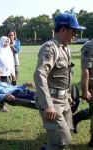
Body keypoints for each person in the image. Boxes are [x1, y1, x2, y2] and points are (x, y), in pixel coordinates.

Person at [33, 14, 86, 150]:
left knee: (68, 131)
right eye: (74, 30)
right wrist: (47, 105)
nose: (76, 34)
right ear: (63, 30)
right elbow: (40, 74)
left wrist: (67, 94)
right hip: (52, 100)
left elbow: (64, 74)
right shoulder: (50, 48)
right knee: (62, 140)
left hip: (63, 99)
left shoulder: (65, 47)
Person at [73, 39, 93, 148]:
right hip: (92, 84)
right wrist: (85, 91)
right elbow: (85, 69)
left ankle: (76, 118)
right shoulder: (89, 46)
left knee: (91, 111)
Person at [0, 36, 16, 112]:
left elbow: (12, 64)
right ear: (2, 42)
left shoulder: (9, 52)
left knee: (7, 89)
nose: (6, 43)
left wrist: (13, 74)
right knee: (0, 90)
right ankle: (2, 106)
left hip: (7, 74)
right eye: (5, 42)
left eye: (8, 42)